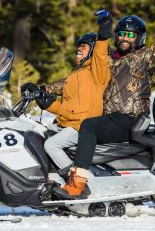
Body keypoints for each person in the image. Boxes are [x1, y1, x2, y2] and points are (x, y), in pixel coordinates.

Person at [52, 7, 155, 199]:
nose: (125, 38)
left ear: (139, 38)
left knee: (89, 126)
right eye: (121, 34)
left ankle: (78, 184)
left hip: (131, 118)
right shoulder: (107, 59)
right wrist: (44, 90)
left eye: (130, 35)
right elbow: (80, 80)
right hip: (111, 119)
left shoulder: (143, 58)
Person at [21, 10, 112, 184]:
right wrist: (45, 101)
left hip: (82, 127)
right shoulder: (76, 75)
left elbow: (101, 55)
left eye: (84, 46)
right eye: (79, 45)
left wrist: (103, 34)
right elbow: (67, 107)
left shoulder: (98, 72)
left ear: (92, 49)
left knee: (51, 145)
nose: (79, 48)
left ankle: (76, 182)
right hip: (68, 124)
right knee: (38, 135)